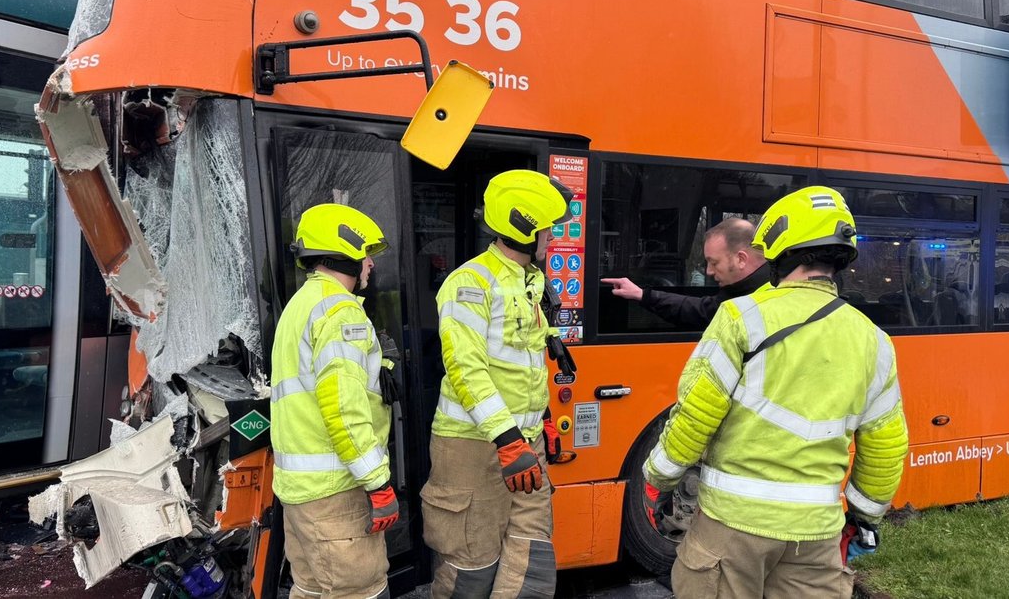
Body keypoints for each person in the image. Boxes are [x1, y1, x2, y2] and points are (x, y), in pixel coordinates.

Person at [641, 187, 909, 598]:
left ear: (782, 249)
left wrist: (658, 477)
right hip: (816, 534)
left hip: (732, 527)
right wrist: (864, 517)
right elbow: (886, 447)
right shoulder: (875, 340)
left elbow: (695, 416)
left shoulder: (740, 318)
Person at [421, 169, 573, 599]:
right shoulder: (469, 283)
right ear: (524, 226)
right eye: (547, 227)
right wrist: (508, 440)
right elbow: (466, 370)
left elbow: (518, 354)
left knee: (532, 560)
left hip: (524, 443)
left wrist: (541, 414)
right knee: (472, 565)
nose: (552, 236)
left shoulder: (529, 280)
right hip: (472, 446)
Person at [270, 203, 400, 599]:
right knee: (361, 591)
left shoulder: (300, 306)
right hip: (335, 494)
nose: (370, 266)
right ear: (343, 254)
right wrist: (378, 482)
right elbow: (343, 410)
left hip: (300, 493)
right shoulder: (341, 312)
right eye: (365, 256)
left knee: (310, 589)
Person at [601, 218, 768, 330]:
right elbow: (700, 310)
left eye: (714, 262)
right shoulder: (741, 293)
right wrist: (641, 294)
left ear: (741, 259)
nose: (709, 271)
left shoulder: (772, 297)